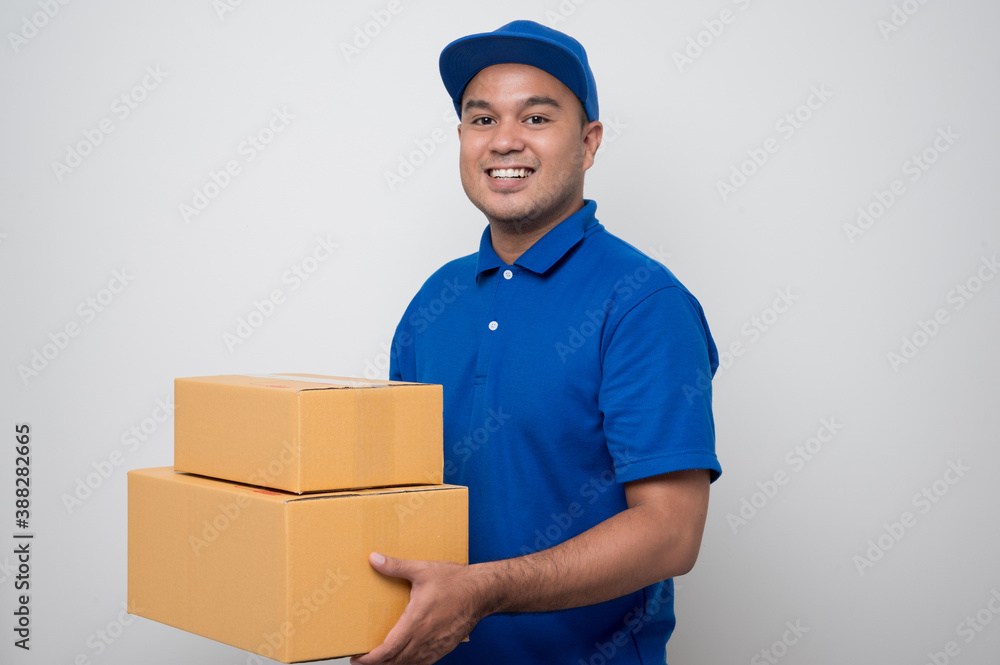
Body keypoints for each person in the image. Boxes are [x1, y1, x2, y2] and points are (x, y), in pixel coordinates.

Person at [351, 19, 722, 665]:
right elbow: (401, 497)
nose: (505, 141)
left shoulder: (641, 303)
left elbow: (670, 533)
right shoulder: (433, 302)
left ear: (589, 141)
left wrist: (483, 590)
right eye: (481, 118)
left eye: (537, 118)